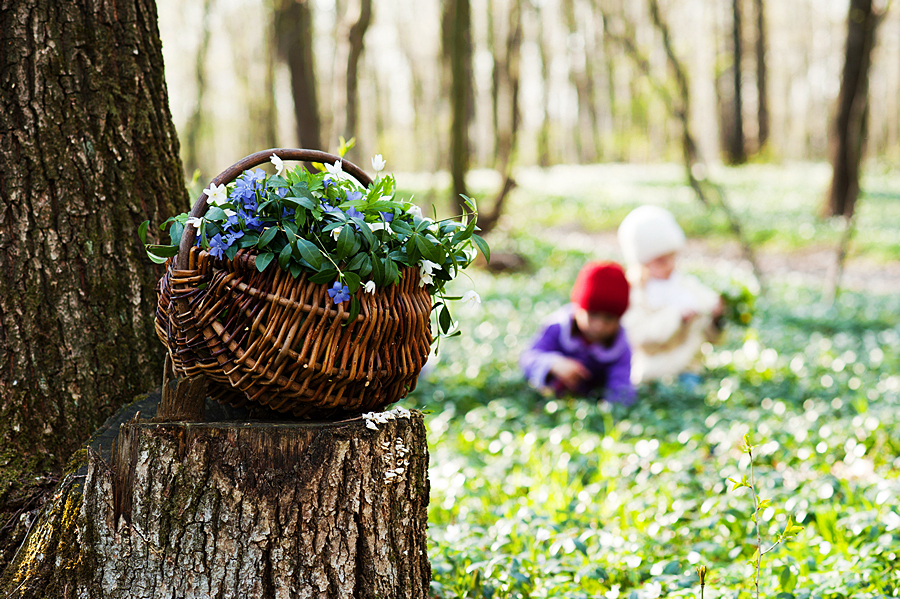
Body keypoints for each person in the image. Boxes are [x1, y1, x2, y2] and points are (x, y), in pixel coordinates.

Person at [617, 205, 724, 386]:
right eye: (661, 261)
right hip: (651, 371)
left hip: (688, 367)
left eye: (673, 258)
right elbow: (639, 336)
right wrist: (676, 316)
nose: (670, 266)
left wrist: (716, 316)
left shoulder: (684, 286)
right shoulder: (635, 294)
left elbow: (712, 335)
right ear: (641, 262)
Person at [520, 262, 635, 405]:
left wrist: (612, 407)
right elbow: (528, 358)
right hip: (551, 401)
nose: (599, 326)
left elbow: (622, 387)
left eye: (608, 319)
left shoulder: (619, 346)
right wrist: (553, 364)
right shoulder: (558, 328)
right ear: (578, 308)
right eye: (592, 315)